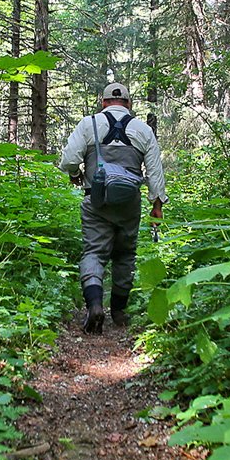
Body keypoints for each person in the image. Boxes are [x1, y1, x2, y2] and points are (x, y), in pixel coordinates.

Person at [57, 82, 165, 334]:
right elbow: (156, 173)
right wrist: (156, 205)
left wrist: (75, 174)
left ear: (103, 102)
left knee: (94, 251)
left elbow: (70, 159)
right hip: (129, 202)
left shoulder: (89, 124)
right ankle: (118, 311)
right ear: (128, 104)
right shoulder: (143, 130)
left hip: (96, 200)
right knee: (125, 254)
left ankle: (95, 306)